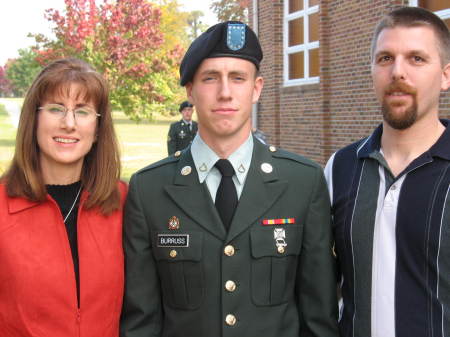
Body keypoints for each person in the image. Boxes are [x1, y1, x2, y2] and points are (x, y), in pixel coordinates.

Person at [121, 21, 339, 337]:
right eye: (211, 78)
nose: (225, 92)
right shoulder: (149, 189)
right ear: (191, 91)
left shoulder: (302, 182)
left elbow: (319, 317)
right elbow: (142, 321)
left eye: (238, 78)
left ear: (257, 88)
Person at [324, 7, 450, 337]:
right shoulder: (340, 168)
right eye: (385, 59)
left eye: (416, 59)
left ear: (446, 76)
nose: (397, 72)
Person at [0, 58, 127, 337]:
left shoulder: (125, 202)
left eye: (82, 112)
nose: (68, 124)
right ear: (34, 119)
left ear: (97, 129)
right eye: (56, 109)